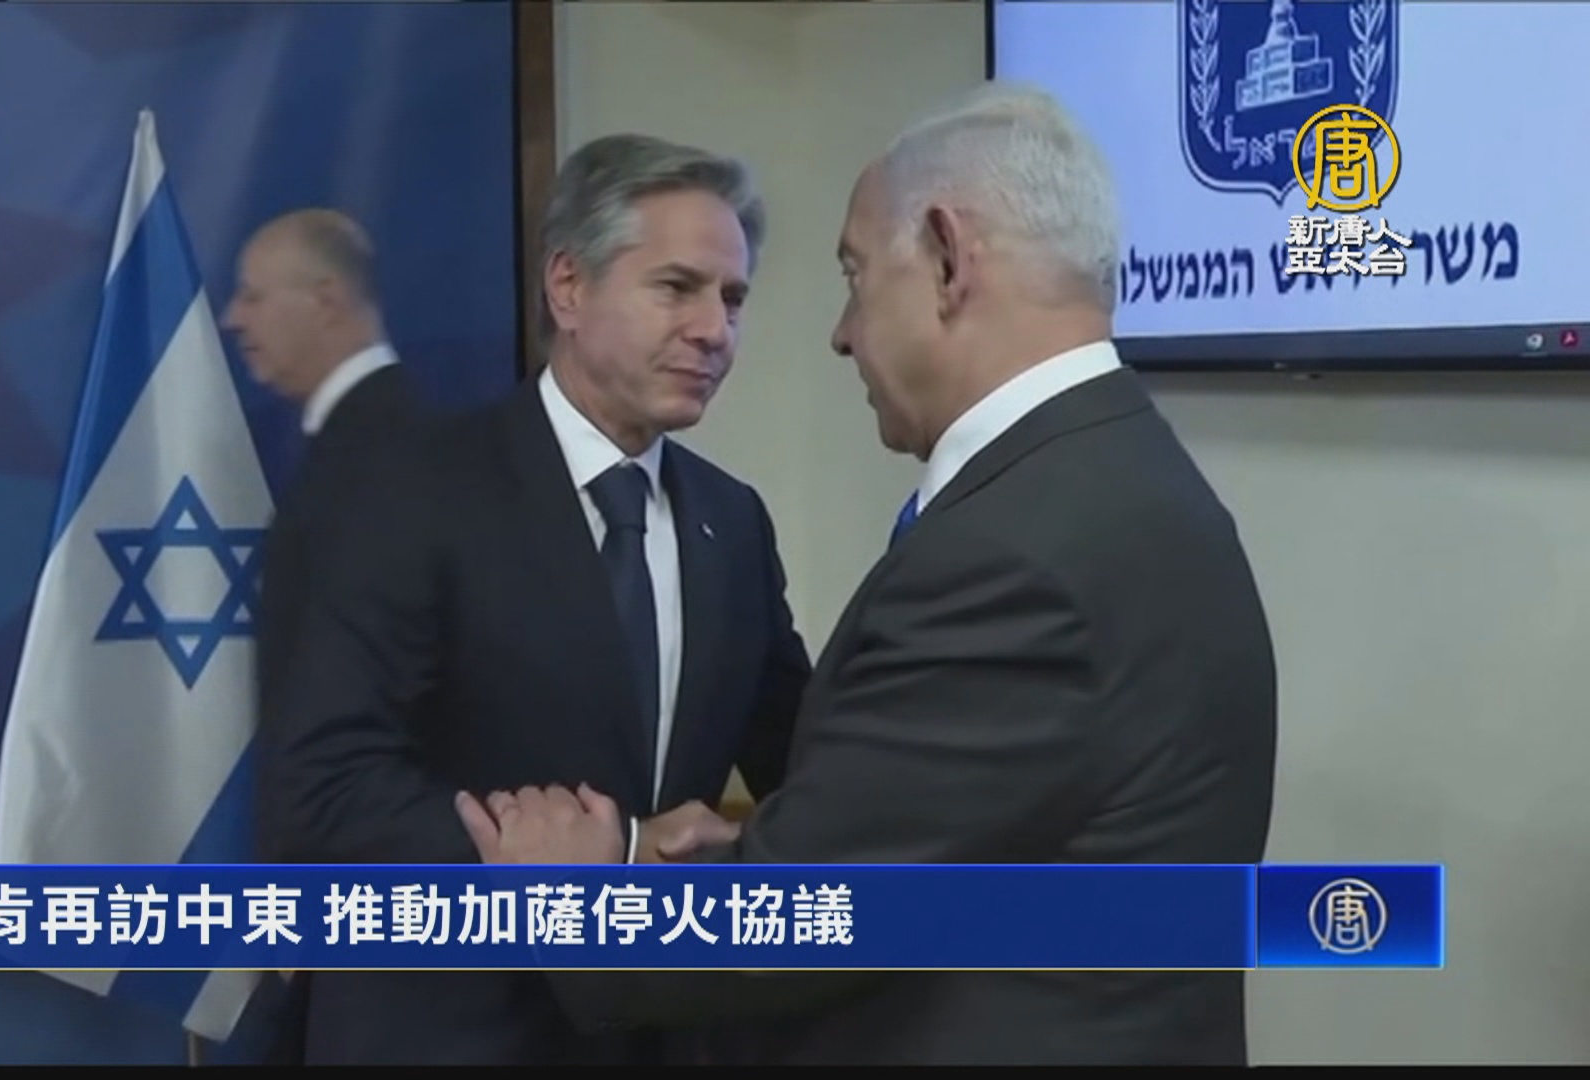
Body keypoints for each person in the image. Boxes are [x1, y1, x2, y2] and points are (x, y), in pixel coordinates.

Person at [454, 82, 1281, 1065]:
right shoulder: (1120, 478)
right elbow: (947, 836)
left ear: (947, 257)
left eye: (854, 275)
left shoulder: (1014, 558)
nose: (842, 331)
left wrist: (571, 896)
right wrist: (764, 852)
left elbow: (806, 923)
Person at [260, 133, 812, 1063]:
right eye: (677, 288)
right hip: (443, 1033)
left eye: (733, 298)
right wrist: (620, 849)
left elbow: (803, 761)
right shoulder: (409, 490)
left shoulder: (734, 521)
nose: (715, 329)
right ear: (568, 286)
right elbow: (325, 787)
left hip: (659, 1037)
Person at [221, 208, 428, 1064]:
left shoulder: (383, 460)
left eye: (253, 295)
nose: (234, 317)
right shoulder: (364, 446)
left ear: (327, 298)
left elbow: (363, 704)